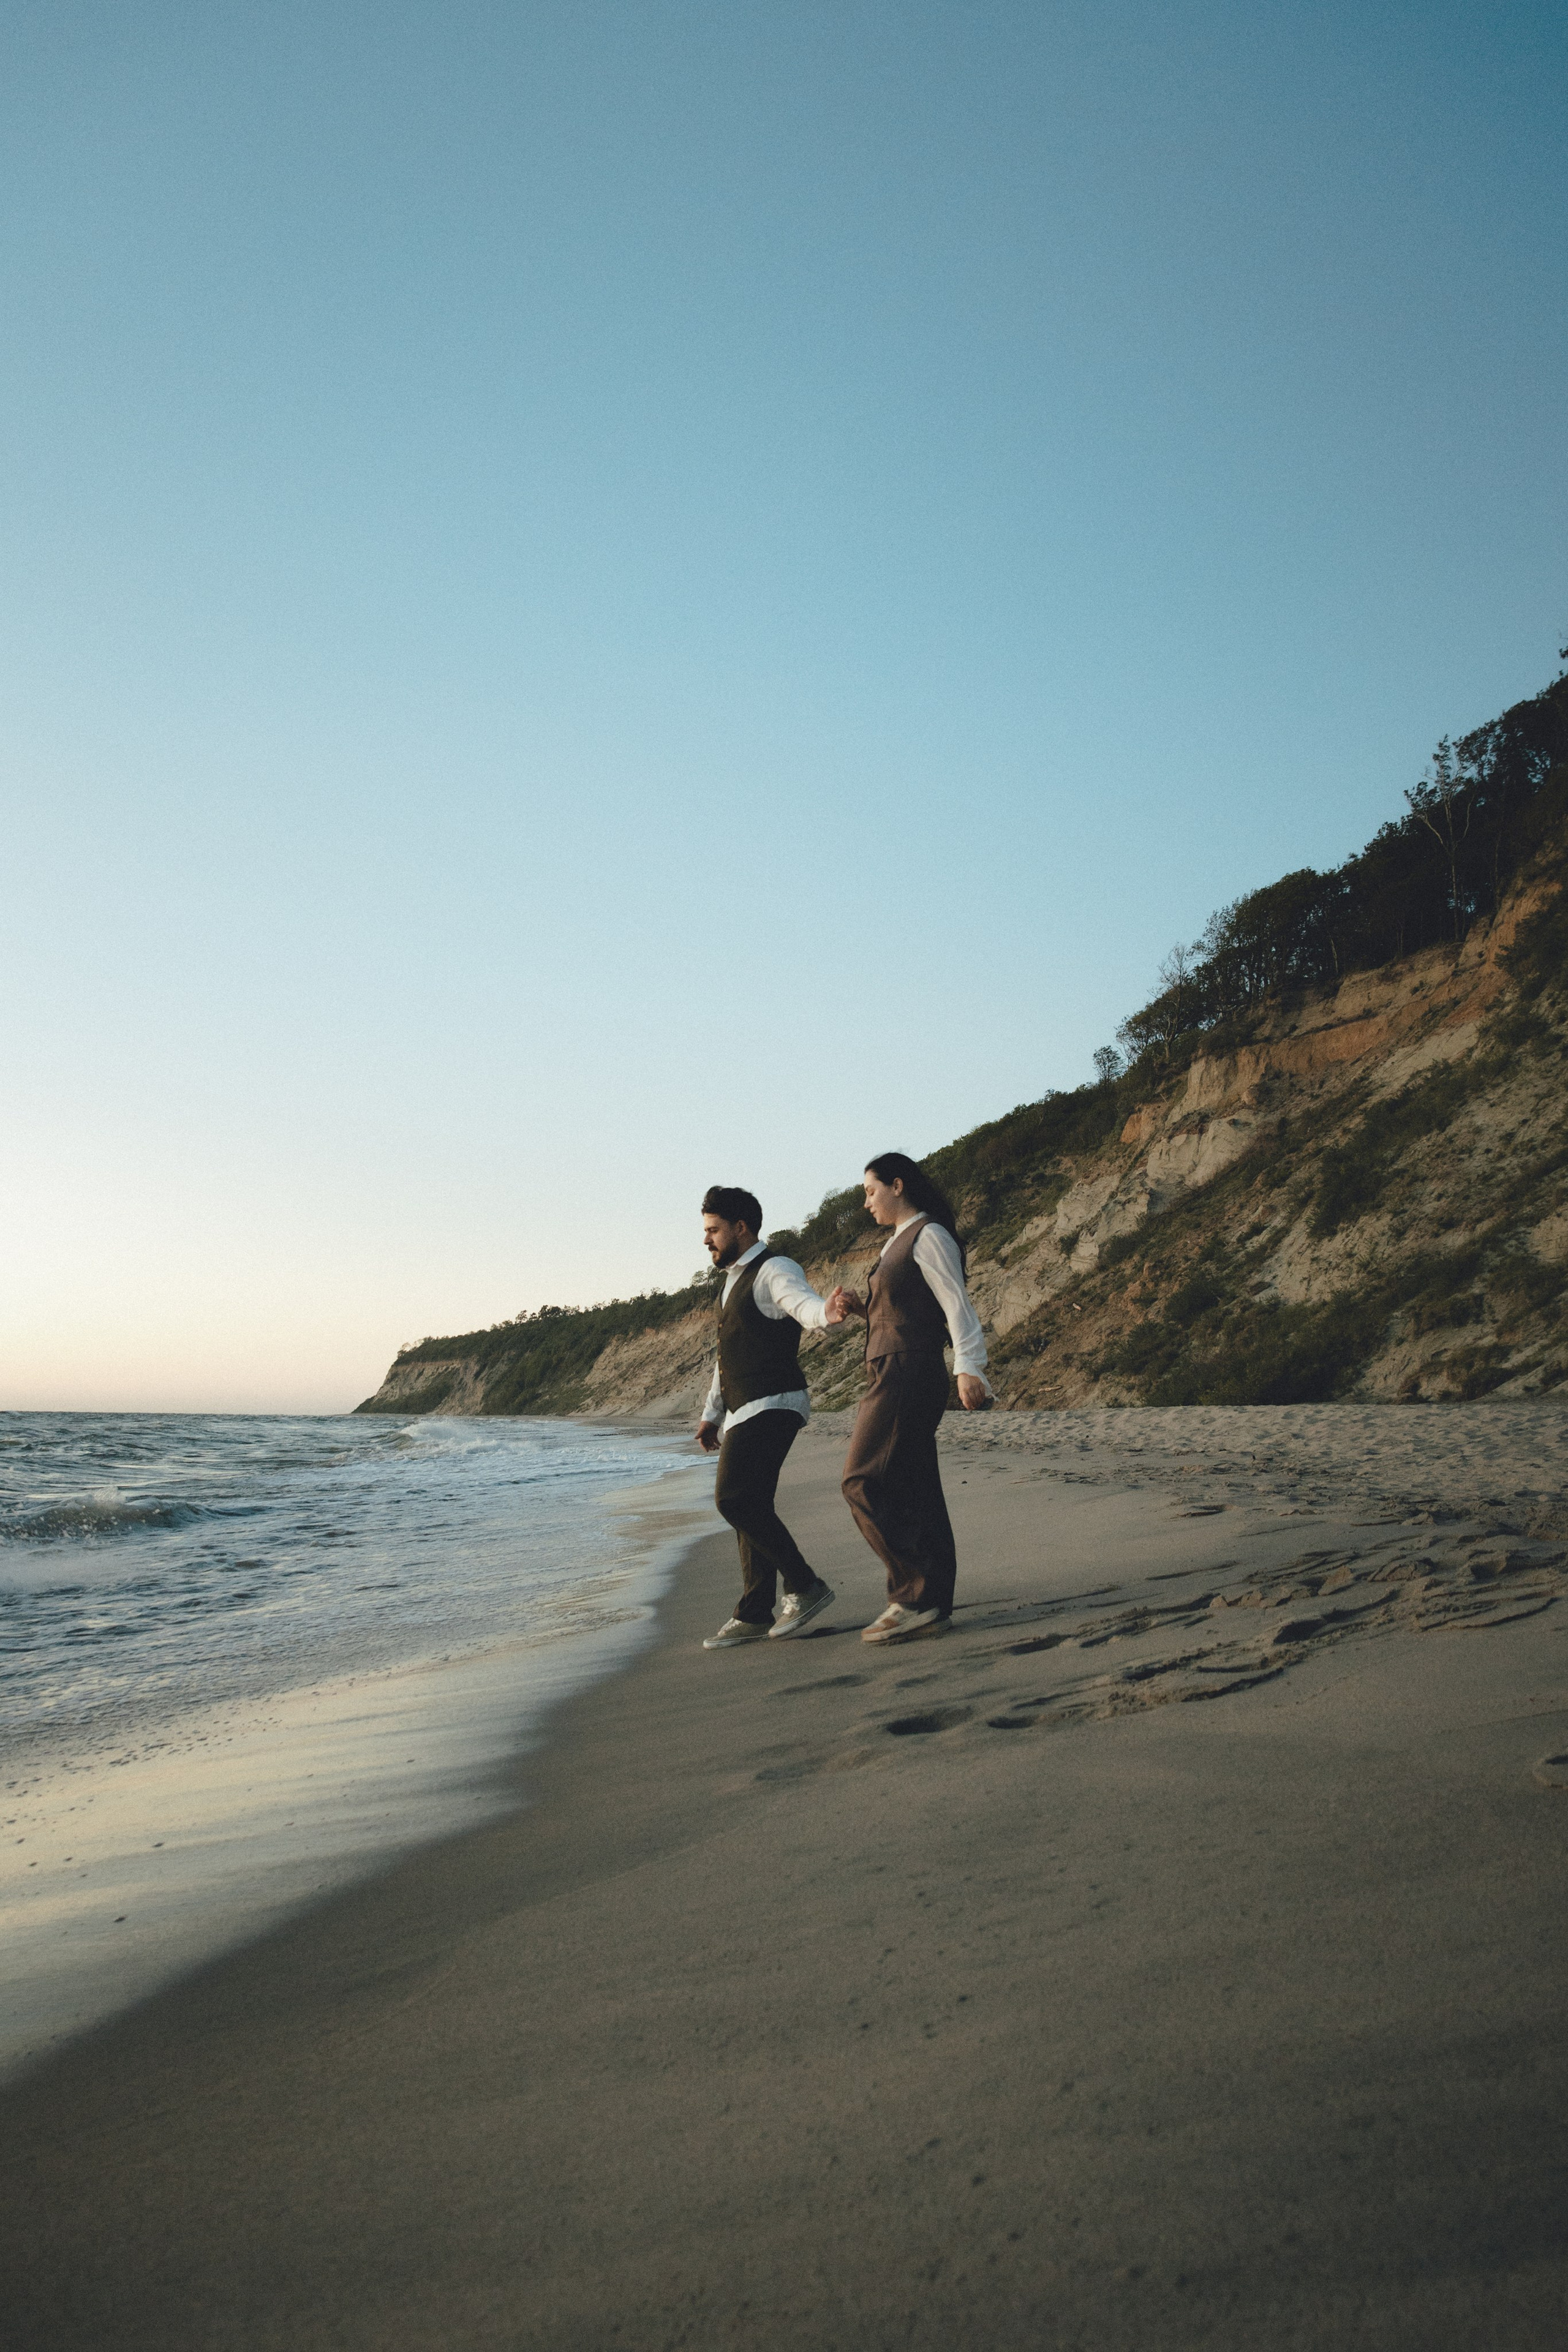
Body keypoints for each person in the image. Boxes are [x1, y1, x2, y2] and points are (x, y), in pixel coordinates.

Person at [829, 1152, 992, 1645]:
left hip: (908, 1370)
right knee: (915, 1487)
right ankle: (931, 1603)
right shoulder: (898, 1241)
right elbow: (902, 1313)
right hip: (893, 1367)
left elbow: (955, 1306)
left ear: (897, 1186)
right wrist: (862, 1310)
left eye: (871, 1192)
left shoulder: (929, 1234)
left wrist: (968, 1367)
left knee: (861, 1480)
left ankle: (913, 1596)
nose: (866, 1203)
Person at [695, 1185, 850, 1650]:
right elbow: (727, 1356)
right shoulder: (731, 1282)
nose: (707, 1240)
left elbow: (801, 1304)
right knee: (752, 1504)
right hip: (745, 1407)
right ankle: (754, 1612)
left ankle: (805, 1585)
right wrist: (711, 1414)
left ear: (741, 1227)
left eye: (714, 1230)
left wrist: (826, 1312)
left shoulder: (775, 1269)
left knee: (734, 1499)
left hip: (774, 1401)